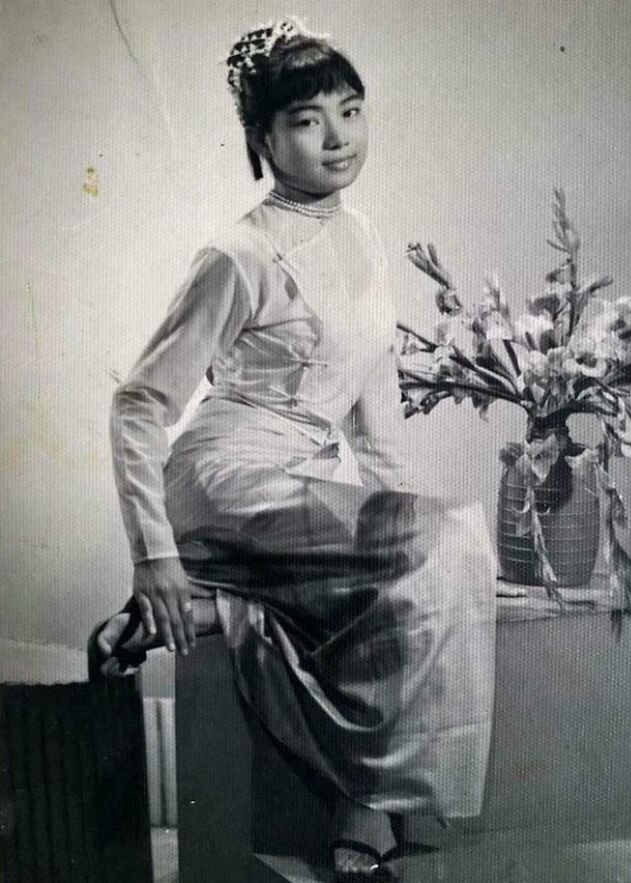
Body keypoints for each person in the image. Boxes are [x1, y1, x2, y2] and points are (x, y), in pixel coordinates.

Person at [89, 16, 497, 881]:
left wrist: (400, 513)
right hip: (226, 474)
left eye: (351, 111)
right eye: (309, 120)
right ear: (263, 139)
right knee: (439, 547)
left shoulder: (363, 237)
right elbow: (138, 404)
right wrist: (154, 551)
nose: (338, 136)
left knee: (444, 539)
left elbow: (374, 398)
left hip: (298, 480)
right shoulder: (239, 253)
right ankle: (369, 807)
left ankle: (212, 613)